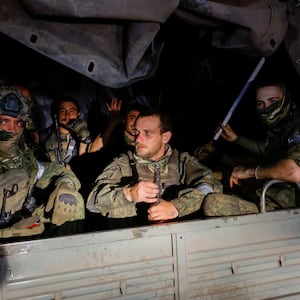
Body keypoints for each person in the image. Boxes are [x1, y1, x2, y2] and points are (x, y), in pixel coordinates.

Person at [87, 108, 258, 229]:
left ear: (165, 137)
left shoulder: (181, 161)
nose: (138, 139)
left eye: (147, 133)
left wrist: (177, 207)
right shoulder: (123, 163)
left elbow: (210, 185)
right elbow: (93, 200)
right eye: (137, 132)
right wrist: (128, 194)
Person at [0, 86, 85, 241]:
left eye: (18, 123)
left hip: (24, 214)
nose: (11, 129)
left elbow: (44, 169)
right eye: (3, 121)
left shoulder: (22, 152)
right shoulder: (45, 137)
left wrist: (66, 184)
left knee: (75, 201)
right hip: (6, 229)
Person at [218, 79, 300, 210]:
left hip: (289, 206)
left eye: (273, 102)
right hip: (270, 199)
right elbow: (269, 149)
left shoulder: (297, 127)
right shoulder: (281, 128)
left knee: (214, 204)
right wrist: (236, 139)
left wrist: (249, 172)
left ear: (285, 100)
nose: (266, 108)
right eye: (260, 104)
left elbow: (294, 171)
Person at [38, 95, 122, 170]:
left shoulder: (86, 134)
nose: (67, 115)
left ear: (78, 114)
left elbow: (92, 155)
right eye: (63, 111)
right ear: (56, 115)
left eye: (71, 111)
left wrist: (112, 123)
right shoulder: (43, 137)